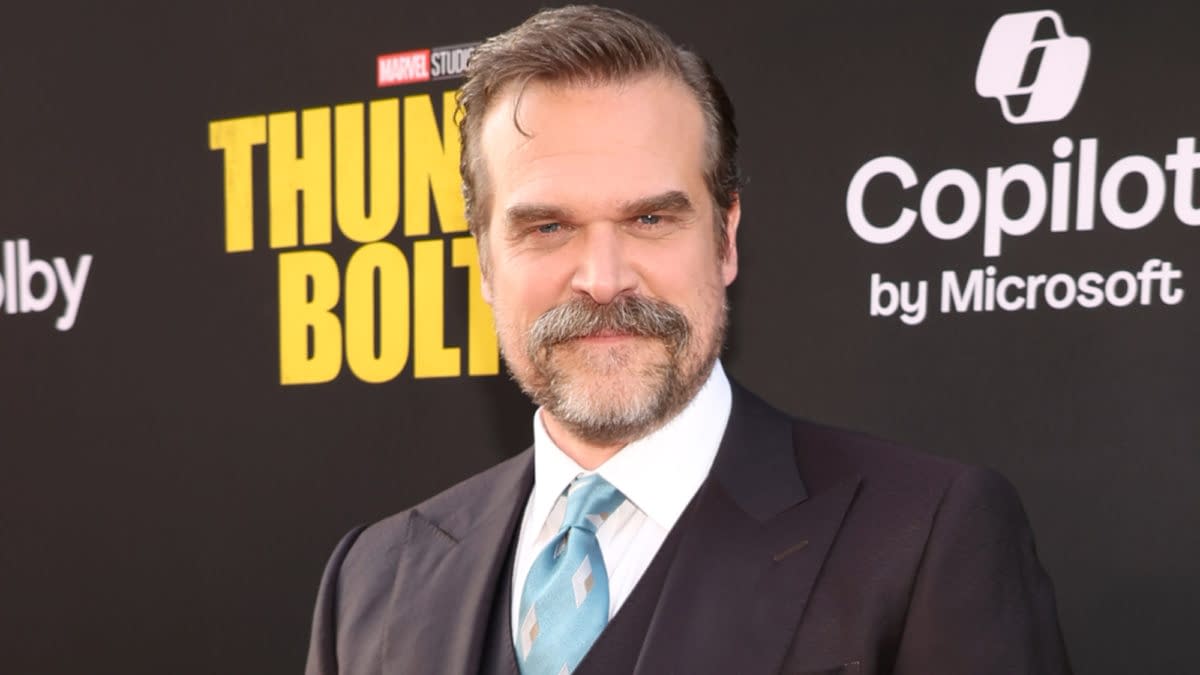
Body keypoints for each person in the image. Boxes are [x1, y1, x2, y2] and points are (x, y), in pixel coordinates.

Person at [304, 6, 1071, 674]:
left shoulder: (927, 537)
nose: (602, 279)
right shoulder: (373, 576)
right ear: (484, 264)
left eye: (649, 219)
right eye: (548, 226)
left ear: (726, 238)